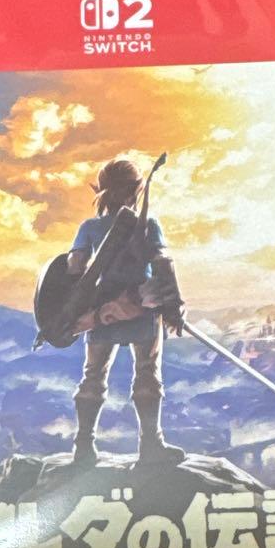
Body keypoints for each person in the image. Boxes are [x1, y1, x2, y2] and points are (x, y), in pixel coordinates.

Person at [66, 158, 186, 466]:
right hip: (142, 308)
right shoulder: (148, 225)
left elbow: (74, 267)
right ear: (136, 190)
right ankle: (151, 446)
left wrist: (82, 303)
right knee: (147, 374)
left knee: (93, 376)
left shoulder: (90, 228)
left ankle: (83, 448)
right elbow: (162, 263)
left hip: (101, 312)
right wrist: (173, 306)